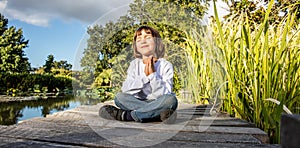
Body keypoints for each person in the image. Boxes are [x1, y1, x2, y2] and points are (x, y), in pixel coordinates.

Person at [99, 25, 178, 123]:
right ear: (136, 45)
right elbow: (126, 91)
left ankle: (127, 116)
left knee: (170, 100)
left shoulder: (166, 65)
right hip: (137, 102)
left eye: (148, 37)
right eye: (139, 39)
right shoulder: (134, 64)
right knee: (119, 97)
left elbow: (164, 94)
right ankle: (157, 114)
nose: (143, 41)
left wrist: (153, 75)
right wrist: (145, 76)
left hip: (159, 102)